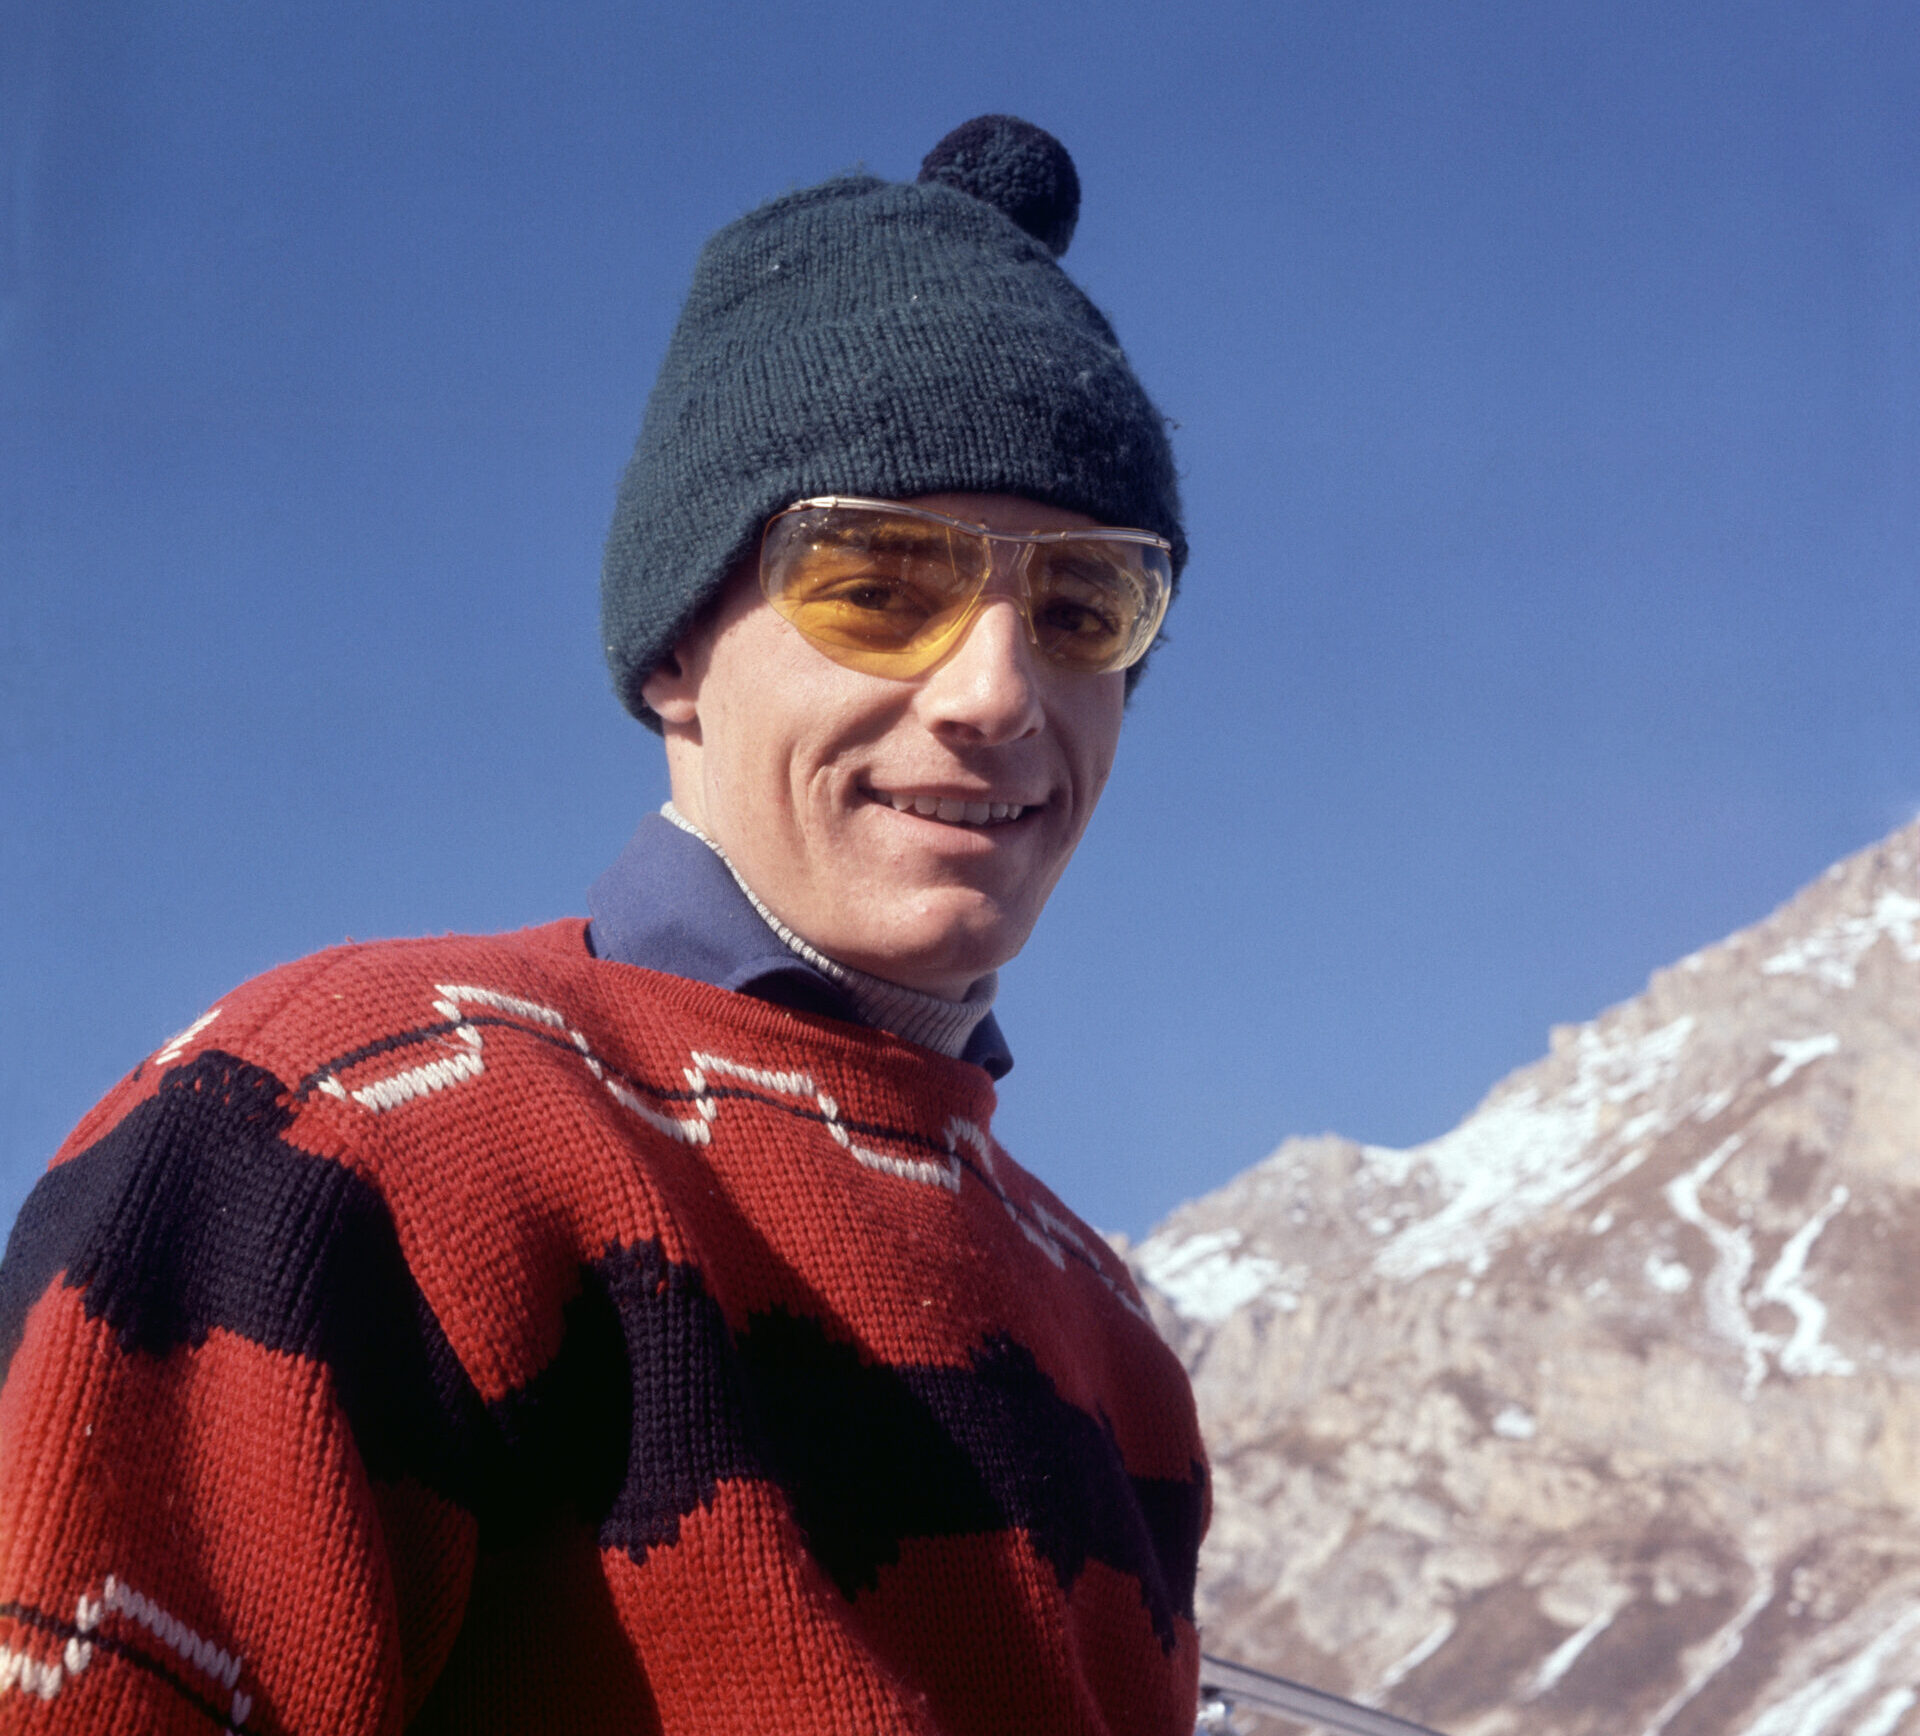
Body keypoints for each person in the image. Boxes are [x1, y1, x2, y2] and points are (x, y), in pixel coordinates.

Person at [0, 115, 1207, 1733]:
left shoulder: (1112, 1341)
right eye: (878, 583)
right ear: (676, 650)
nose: (997, 690)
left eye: (1081, 608)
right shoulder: (344, 1126)